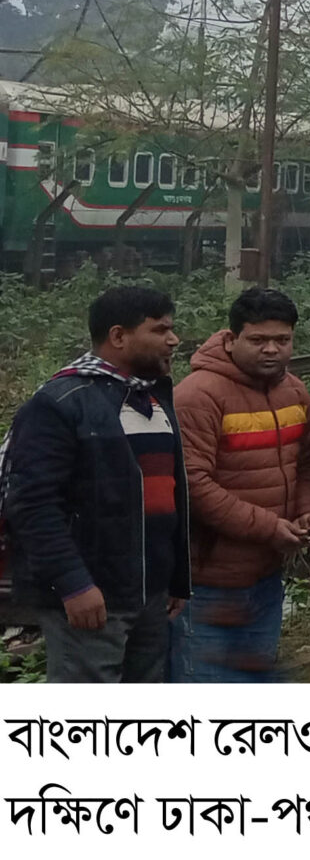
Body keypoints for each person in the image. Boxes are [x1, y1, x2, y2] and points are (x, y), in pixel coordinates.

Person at [5, 287, 189, 683]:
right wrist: (73, 585)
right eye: (160, 330)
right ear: (118, 336)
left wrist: (175, 580)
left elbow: (169, 497)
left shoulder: (153, 400)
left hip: (151, 597)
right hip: (94, 597)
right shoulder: (60, 403)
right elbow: (31, 504)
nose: (173, 340)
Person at [171, 286, 310, 683]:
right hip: (208, 582)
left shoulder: (293, 390)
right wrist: (270, 527)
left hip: (265, 575)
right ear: (231, 339)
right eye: (259, 340)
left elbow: (307, 461)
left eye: (282, 340)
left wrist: (307, 511)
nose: (272, 350)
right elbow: (193, 483)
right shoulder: (198, 396)